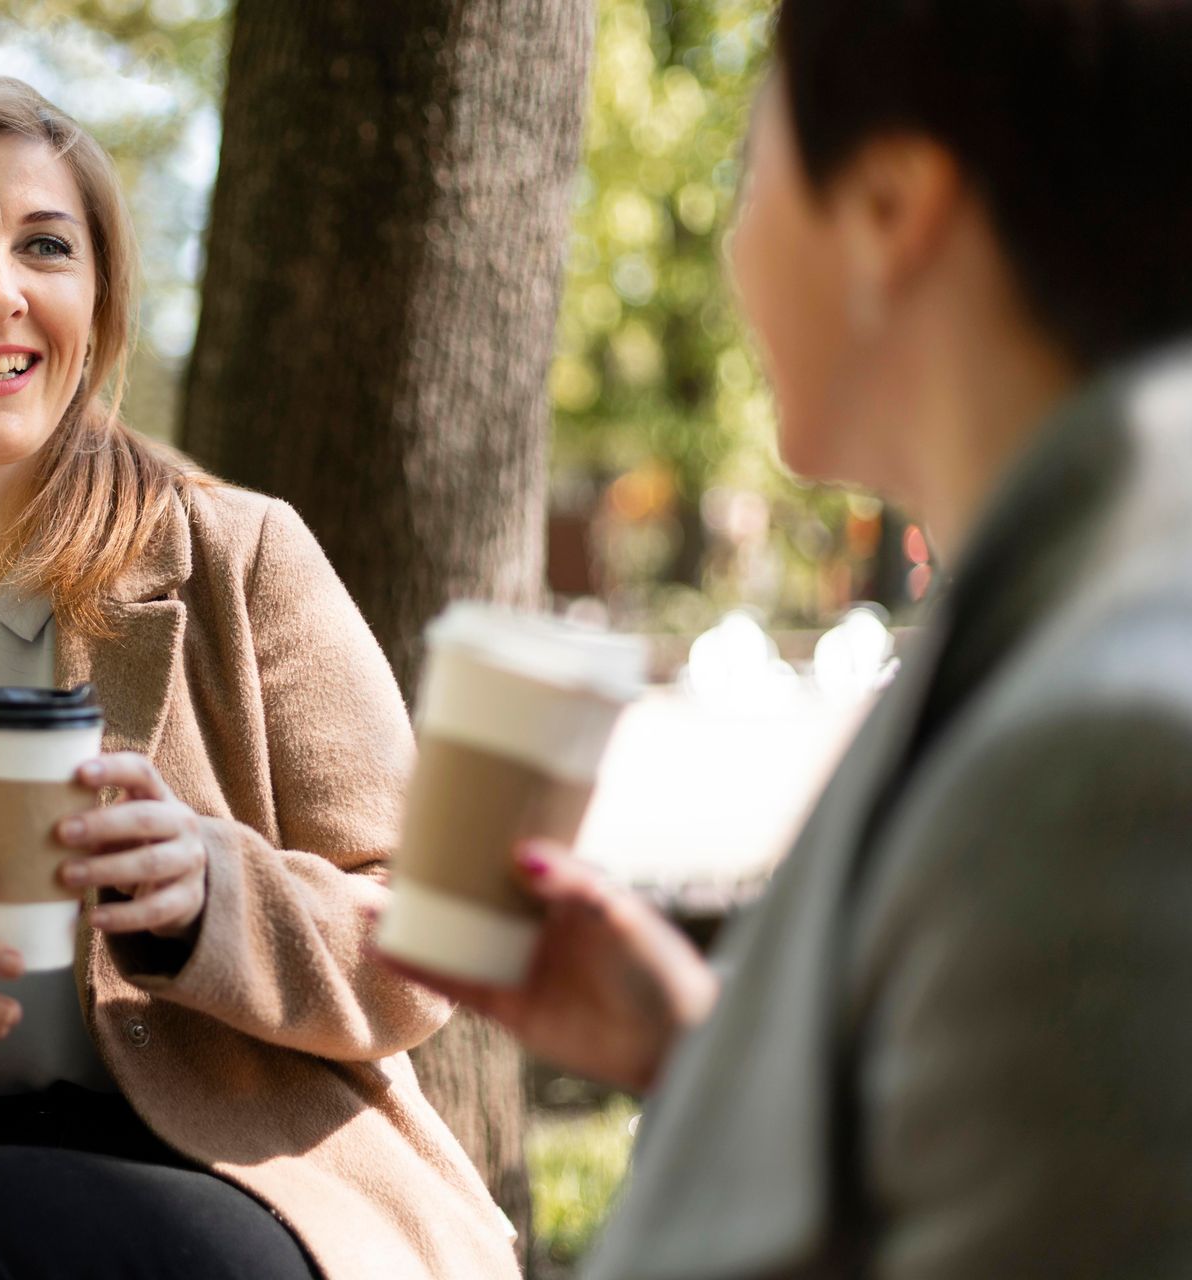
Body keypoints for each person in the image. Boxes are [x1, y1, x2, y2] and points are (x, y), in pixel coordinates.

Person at [382, 1, 1192, 1275]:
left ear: (888, 209)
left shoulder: (1112, 763)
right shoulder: (1073, 611)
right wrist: (722, 1052)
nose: (734, 245)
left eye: (750, 162)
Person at [0, 75, 516, 1280]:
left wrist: (211, 894)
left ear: (98, 307)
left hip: (257, 1181)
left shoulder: (237, 553)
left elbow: (434, 935)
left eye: (46, 247)